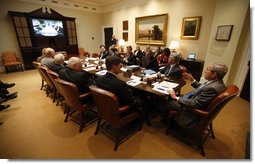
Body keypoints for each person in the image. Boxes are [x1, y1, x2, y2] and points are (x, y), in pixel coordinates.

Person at [161, 62, 228, 128]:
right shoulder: (217, 83)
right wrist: (192, 80)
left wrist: (176, 97)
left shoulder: (212, 88)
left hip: (189, 108)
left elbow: (195, 104)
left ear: (214, 74)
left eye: (207, 69)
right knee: (171, 96)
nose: (205, 71)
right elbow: (203, 88)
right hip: (190, 99)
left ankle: (165, 121)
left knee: (169, 102)